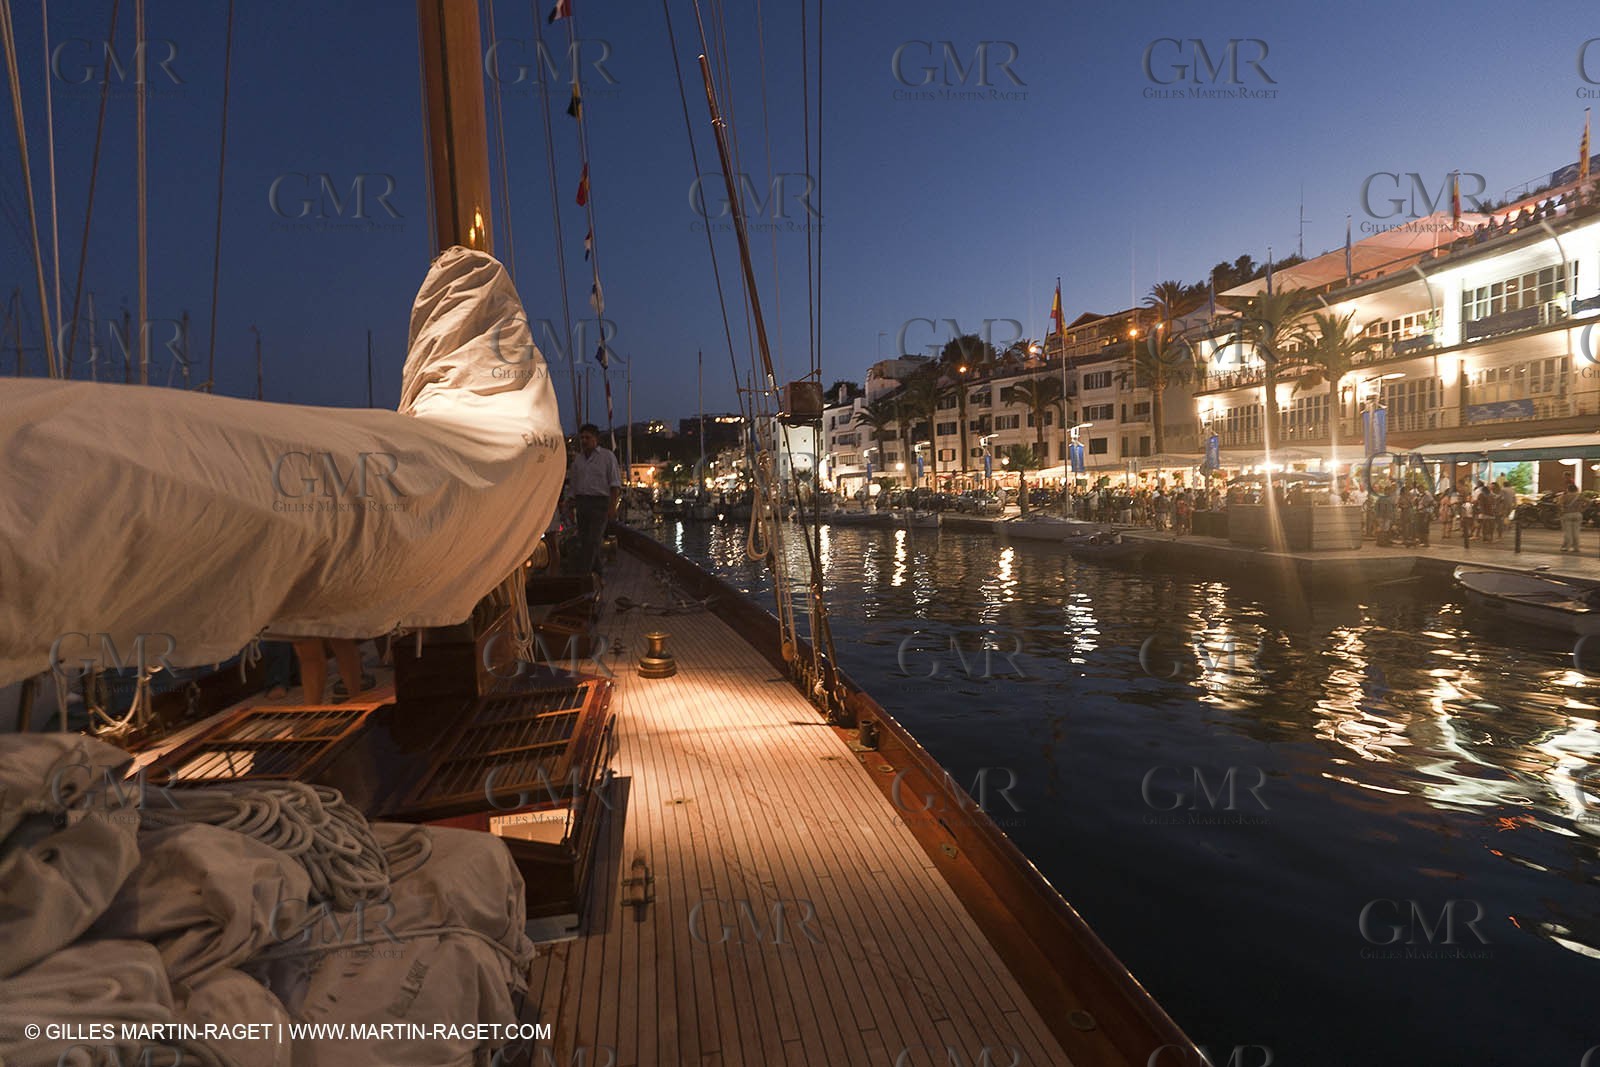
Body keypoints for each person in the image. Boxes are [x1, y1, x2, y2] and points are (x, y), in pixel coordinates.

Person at [566, 423, 621, 577]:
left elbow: (615, 484)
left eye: (587, 438)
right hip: (582, 503)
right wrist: (569, 505)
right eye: (582, 438)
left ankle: (583, 576)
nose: (584, 441)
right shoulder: (578, 460)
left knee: (593, 540)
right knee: (585, 541)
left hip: (599, 504)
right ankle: (598, 575)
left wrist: (612, 507)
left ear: (596, 439)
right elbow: (574, 485)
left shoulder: (607, 457)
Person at [1560, 480, 1585, 553]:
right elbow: (1589, 501)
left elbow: (1559, 505)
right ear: (1576, 489)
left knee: (1567, 532)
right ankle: (1576, 547)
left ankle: (1566, 547)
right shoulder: (1580, 496)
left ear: (1568, 489)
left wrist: (1562, 511)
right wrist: (1583, 509)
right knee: (1576, 532)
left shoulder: (1565, 497)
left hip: (1567, 514)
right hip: (1578, 514)